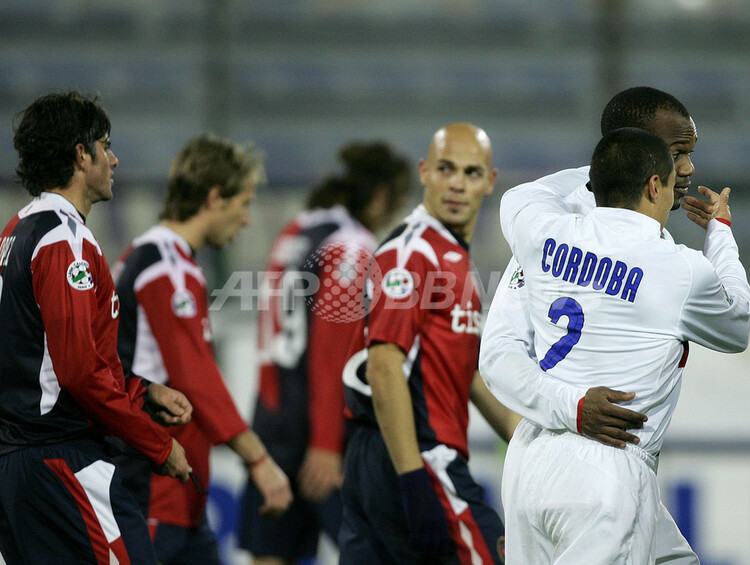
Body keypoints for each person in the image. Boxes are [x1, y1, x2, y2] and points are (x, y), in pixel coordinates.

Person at [492, 127, 750, 563]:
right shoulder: (678, 269)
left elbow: (519, 197)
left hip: (533, 460)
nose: (682, 178)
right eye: (672, 175)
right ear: (653, 186)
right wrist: (720, 232)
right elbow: (738, 322)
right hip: (609, 463)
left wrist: (607, 168)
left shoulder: (543, 231)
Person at [0, 90, 192, 564]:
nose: (114, 159)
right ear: (81, 155)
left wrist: (142, 390)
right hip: (63, 462)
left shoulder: (15, 232)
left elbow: (46, 355)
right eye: (106, 146)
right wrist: (157, 445)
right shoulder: (64, 241)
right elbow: (80, 372)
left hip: (18, 464)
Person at [339, 122, 522, 565]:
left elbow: (465, 370)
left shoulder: (447, 253)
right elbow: (384, 366)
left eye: (471, 173)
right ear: (424, 172)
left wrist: (528, 440)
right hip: (416, 454)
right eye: (446, 169)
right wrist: (412, 480)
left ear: (490, 182)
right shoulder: (412, 253)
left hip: (380, 458)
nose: (457, 183)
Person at [113, 134, 293, 564]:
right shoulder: (167, 269)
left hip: (179, 497)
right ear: (215, 198)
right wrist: (259, 460)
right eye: (243, 203)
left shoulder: (151, 256)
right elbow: (195, 379)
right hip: (152, 491)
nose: (246, 220)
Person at [238, 141, 412, 565]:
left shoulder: (296, 230)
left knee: (271, 552)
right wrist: (325, 443)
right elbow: (331, 350)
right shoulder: (352, 246)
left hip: (273, 417)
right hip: (320, 433)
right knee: (373, 553)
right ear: (380, 195)